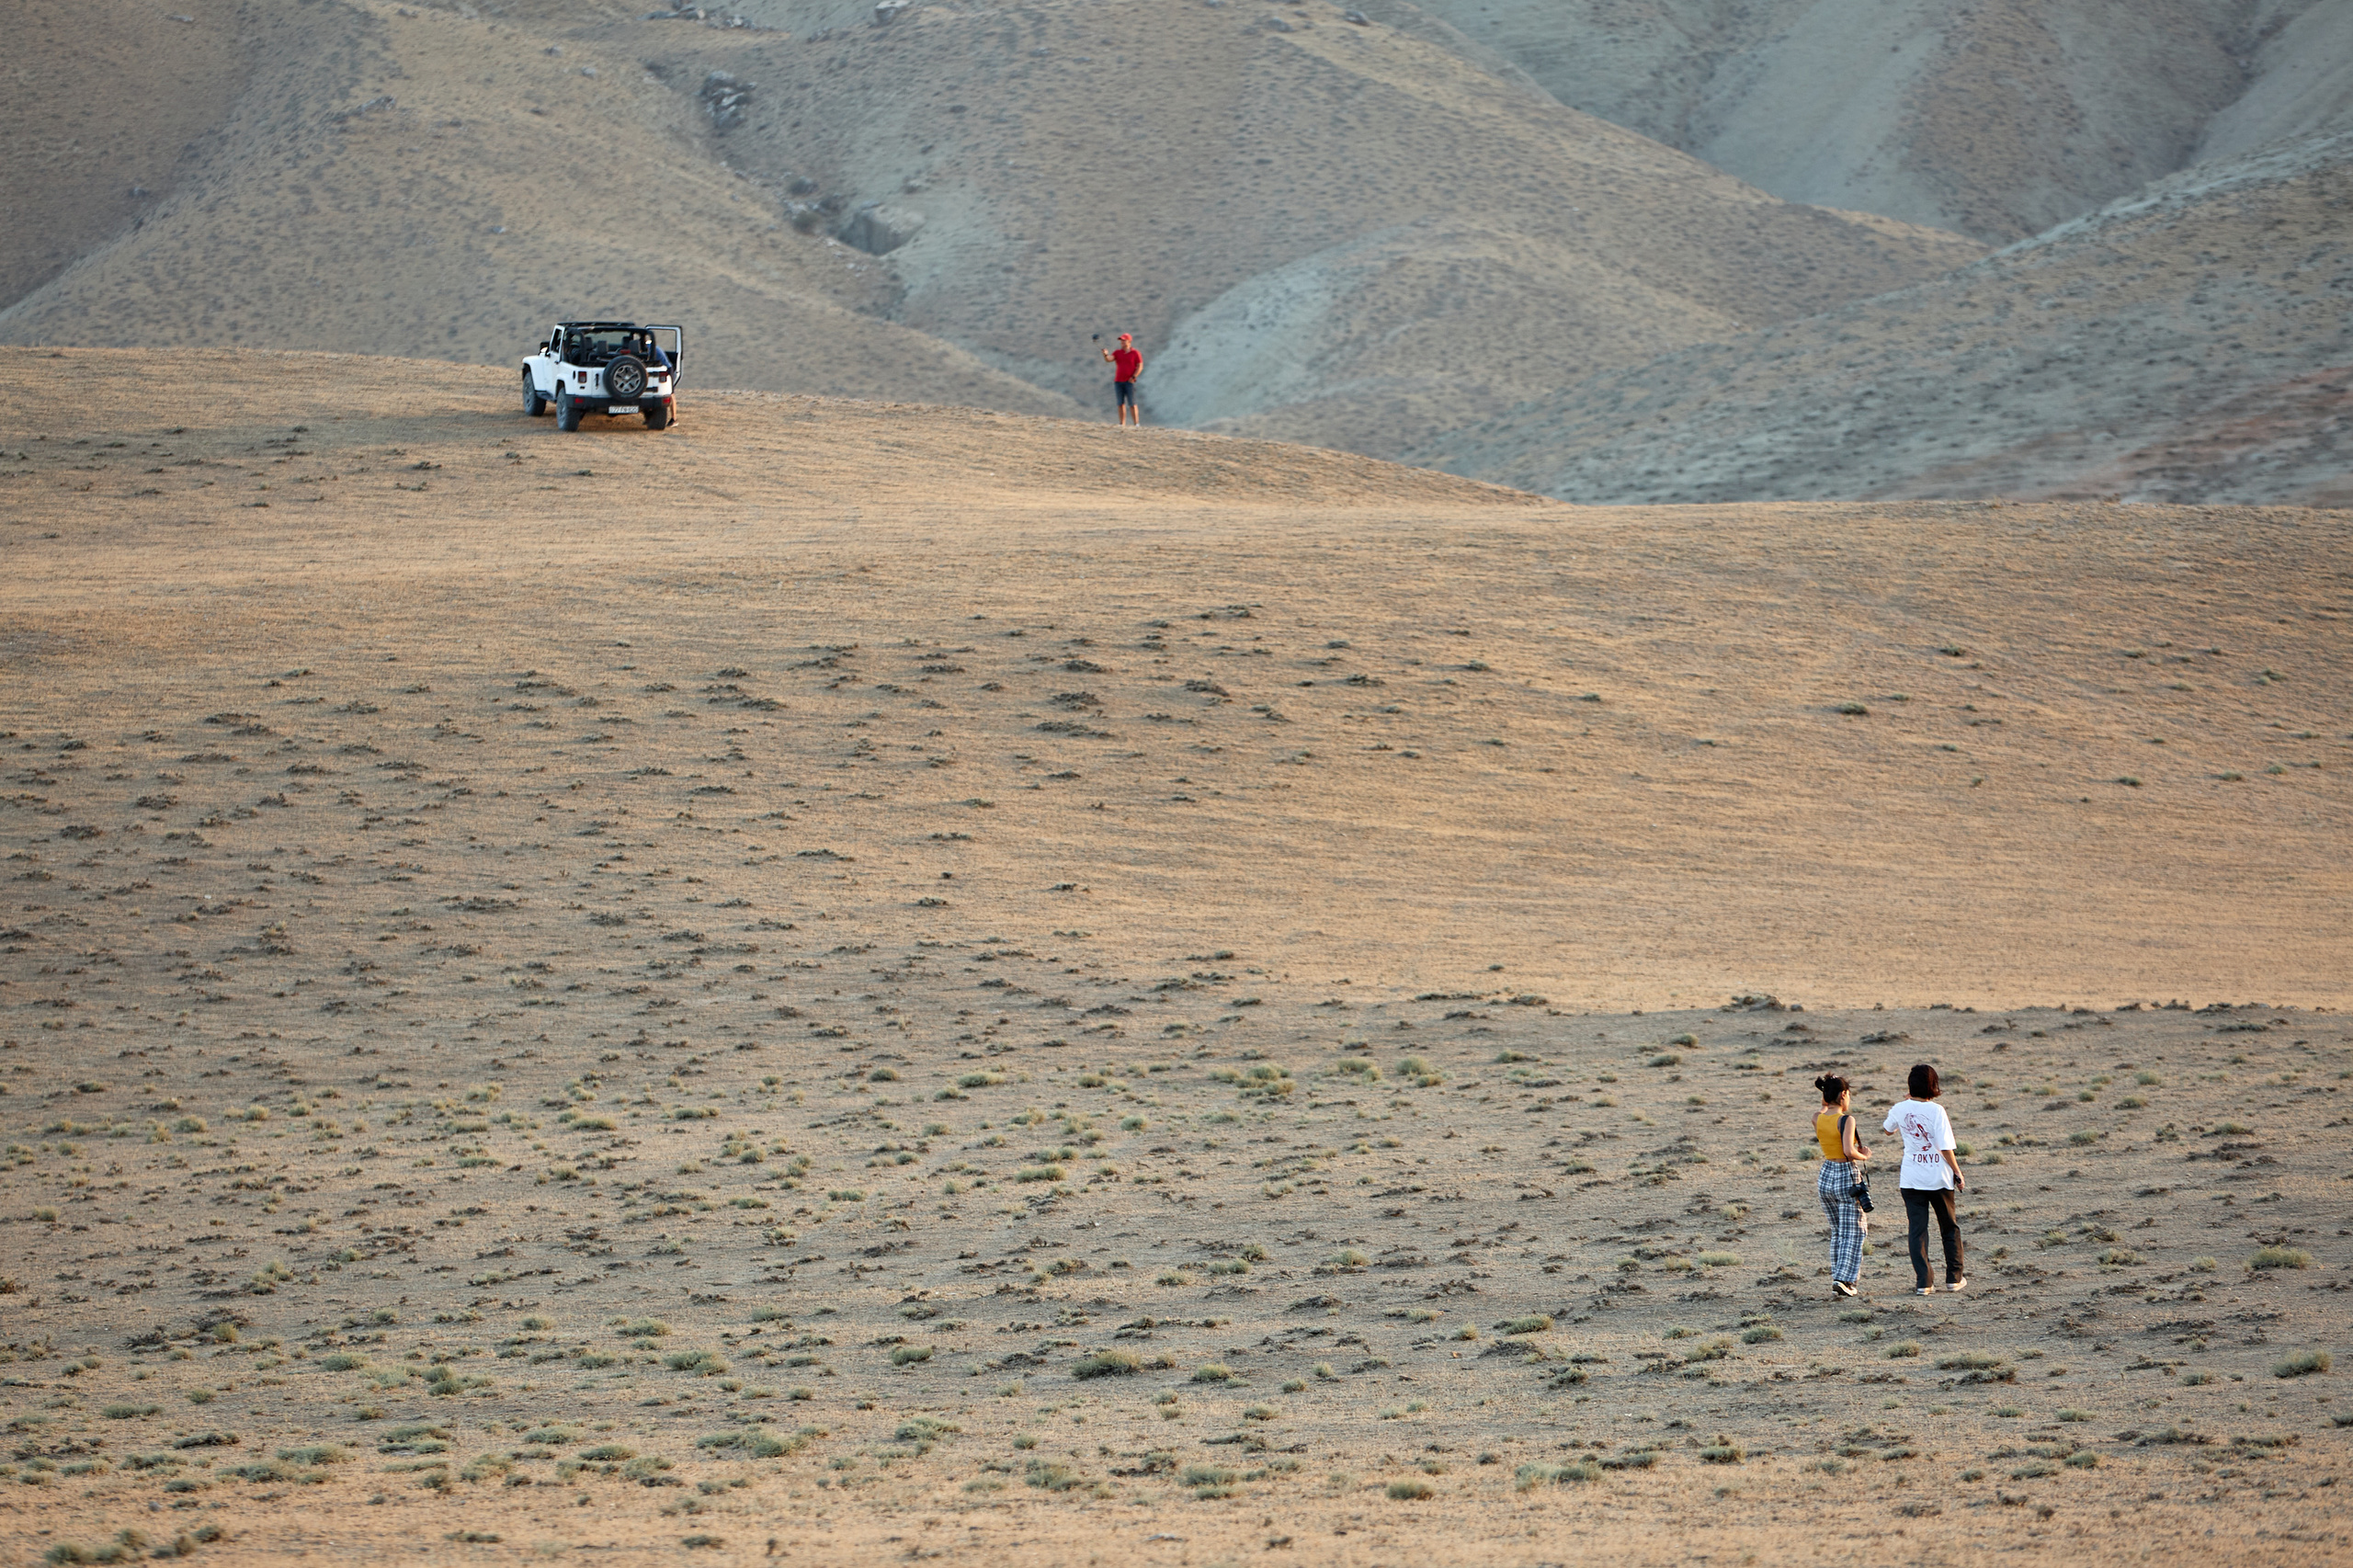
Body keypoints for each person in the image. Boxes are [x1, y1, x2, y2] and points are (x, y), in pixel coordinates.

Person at [1884, 1063, 1966, 1296]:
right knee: (1949, 1227)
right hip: (1939, 1179)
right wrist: (1957, 1172)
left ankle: (1924, 1282)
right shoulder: (1937, 1111)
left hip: (1911, 1179)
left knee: (1917, 1231)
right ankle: (1954, 1278)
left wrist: (1905, 1104)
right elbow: (1946, 1147)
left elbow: (1887, 1129)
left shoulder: (1900, 1108)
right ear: (1933, 1085)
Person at [1813, 1073, 1870, 1299]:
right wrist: (1864, 1155)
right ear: (1844, 1094)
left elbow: (1822, 1108)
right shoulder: (1847, 1120)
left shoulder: (1818, 1118)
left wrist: (1826, 1100)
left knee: (1837, 1231)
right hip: (1845, 1175)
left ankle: (1839, 1275)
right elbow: (1849, 1151)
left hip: (1826, 1175)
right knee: (1854, 1231)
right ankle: (1845, 1280)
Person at [1102, 332, 1142, 426]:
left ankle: (1136, 424)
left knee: (1132, 404)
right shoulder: (1117, 352)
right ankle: (1122, 424)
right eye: (1121, 341)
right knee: (1120, 403)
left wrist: (1134, 377)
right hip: (1118, 381)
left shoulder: (1135, 353)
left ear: (1129, 341)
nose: (1122, 342)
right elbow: (1109, 359)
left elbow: (1140, 366)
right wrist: (1105, 354)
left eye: (1124, 340)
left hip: (1129, 382)